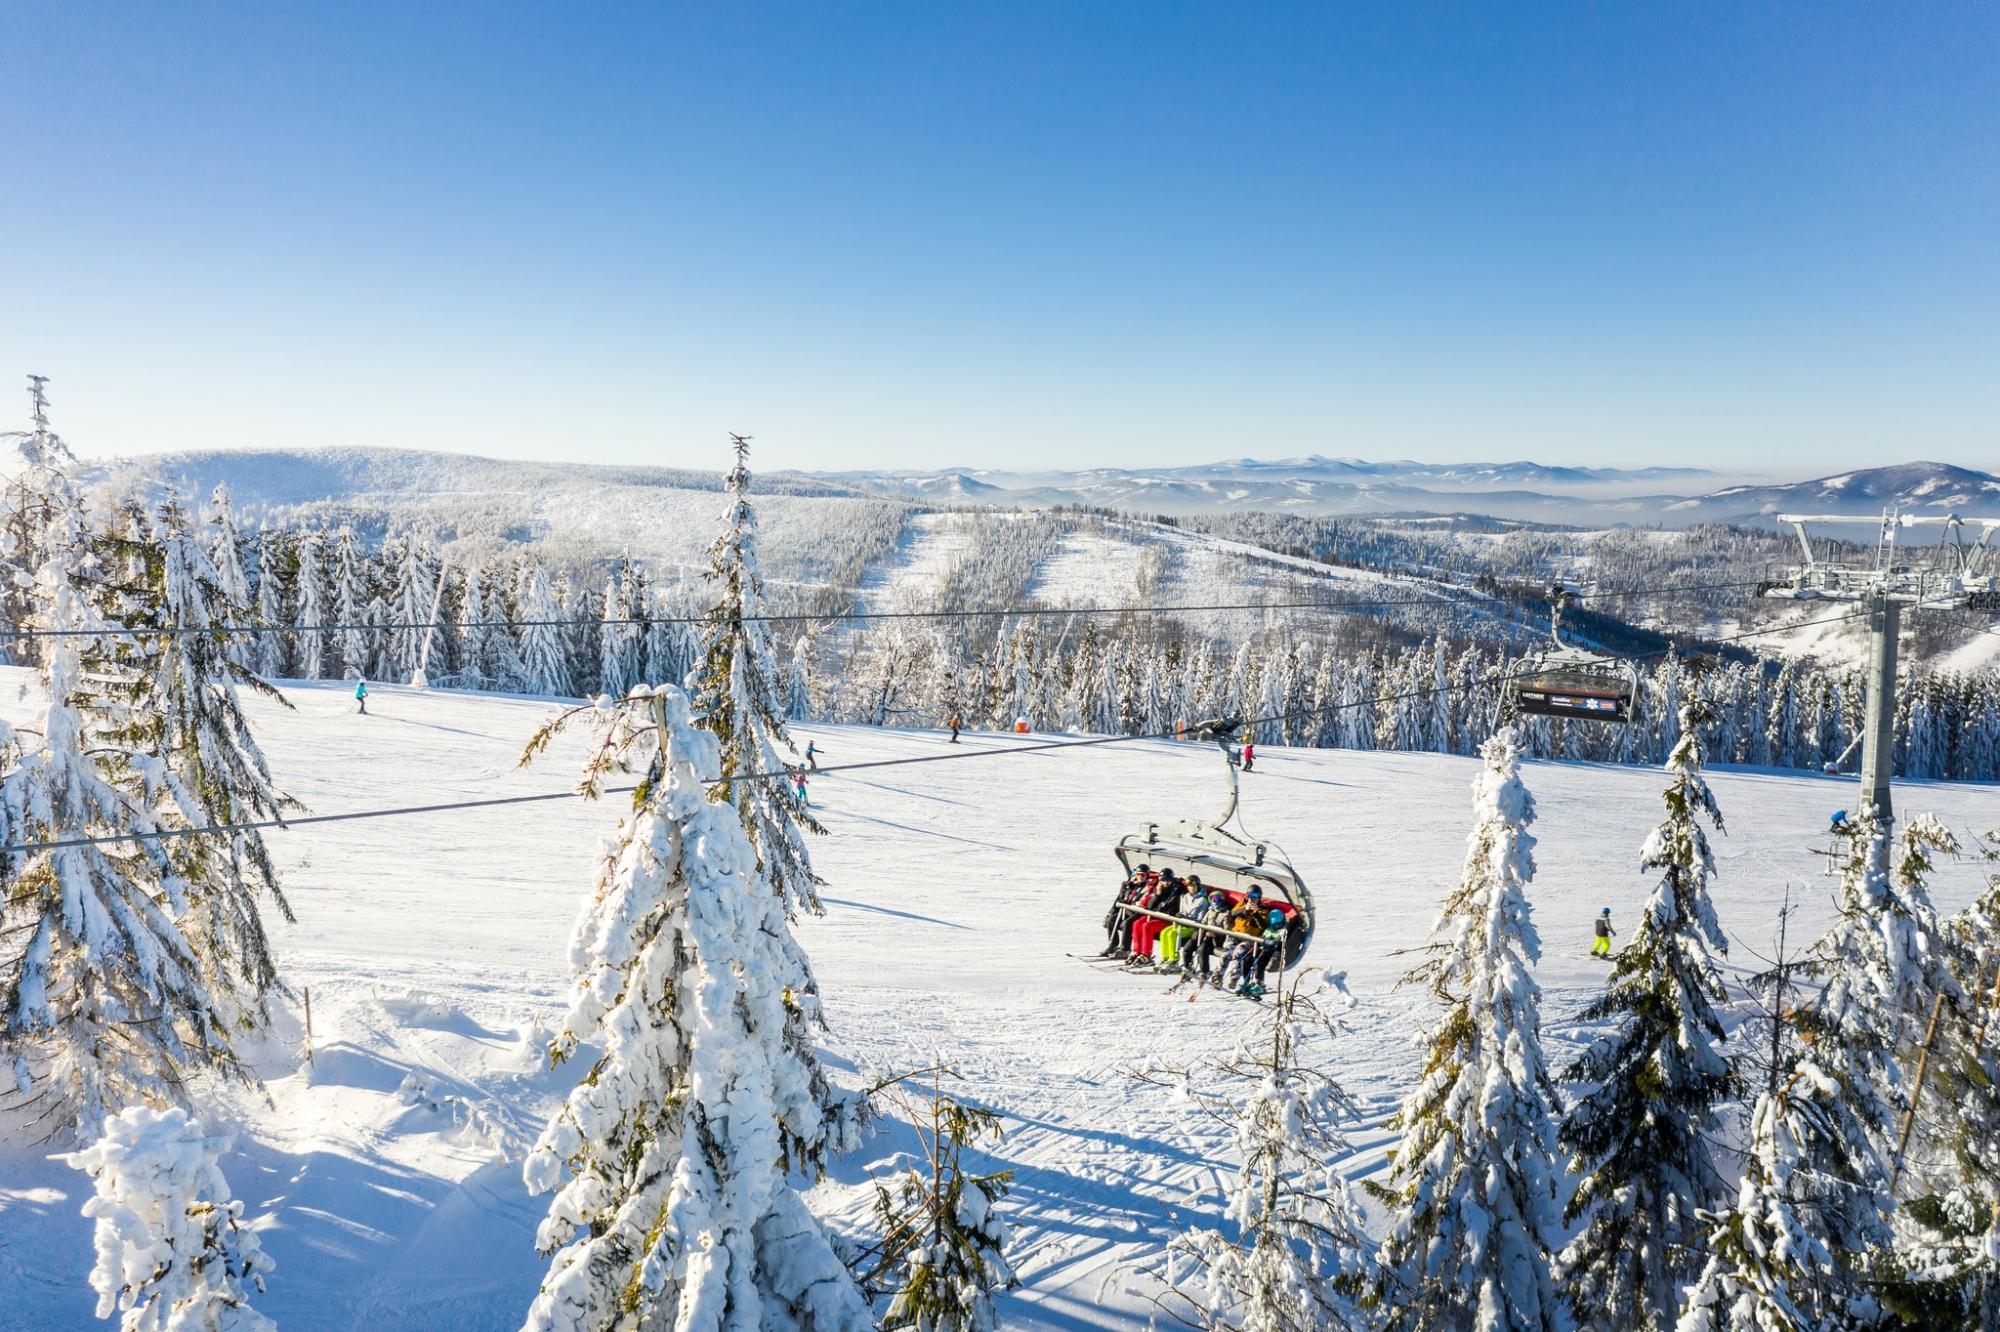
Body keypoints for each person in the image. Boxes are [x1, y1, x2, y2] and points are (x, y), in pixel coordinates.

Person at [1127, 870, 1184, 969]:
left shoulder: (1175, 891)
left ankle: (1146, 955)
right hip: (1156, 916)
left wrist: (1162, 905)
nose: (1166, 882)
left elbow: (1172, 907)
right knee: (1137, 923)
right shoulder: (1158, 889)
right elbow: (1150, 906)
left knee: (1147, 926)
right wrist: (1158, 894)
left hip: (1167, 919)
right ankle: (1136, 951)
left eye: (1168, 880)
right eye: (1163, 880)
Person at [1101, 866, 1149, 957]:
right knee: (1111, 919)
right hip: (1127, 909)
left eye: (1143, 875)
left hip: (1138, 912)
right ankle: (1113, 944)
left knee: (1127, 923)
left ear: (1147, 876)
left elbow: (1141, 901)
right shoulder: (1129, 885)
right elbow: (1119, 899)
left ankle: (1125, 949)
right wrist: (1110, 912)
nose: (1140, 877)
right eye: (1138, 875)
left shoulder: (1147, 887)